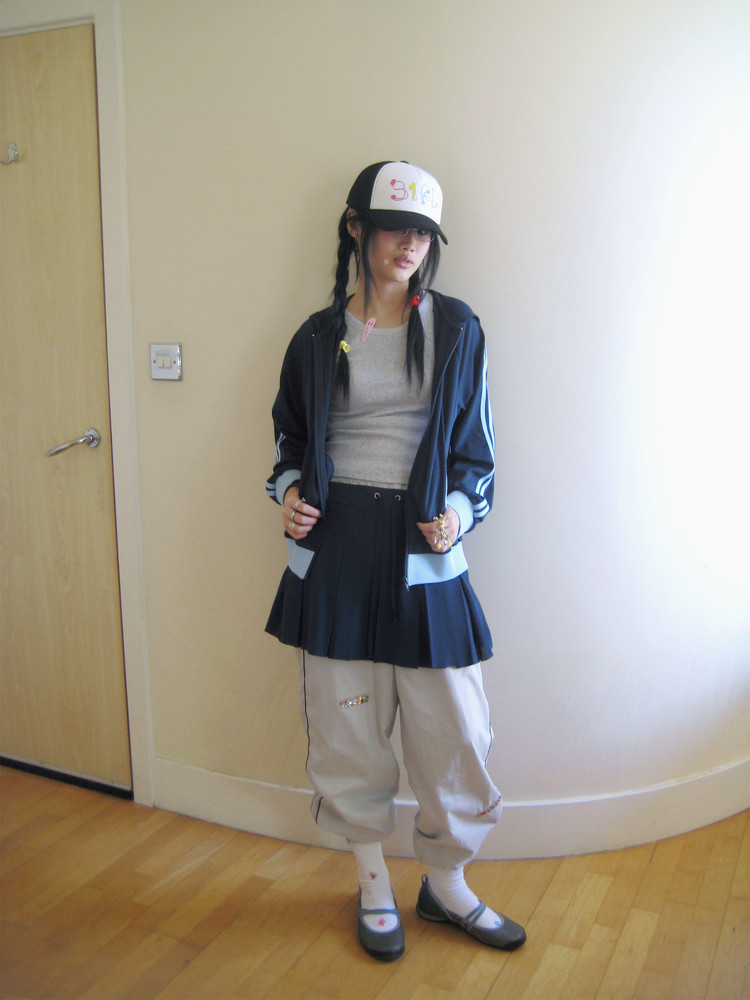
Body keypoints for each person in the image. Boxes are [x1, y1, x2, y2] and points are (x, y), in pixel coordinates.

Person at [265, 161, 526, 962]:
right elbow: (290, 441)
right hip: (336, 553)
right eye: (393, 228)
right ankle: (372, 880)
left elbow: (478, 457)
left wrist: (457, 517)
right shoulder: (316, 337)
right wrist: (289, 492)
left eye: (422, 233)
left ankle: (447, 884)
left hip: (425, 553)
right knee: (346, 729)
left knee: (456, 728)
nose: (409, 245)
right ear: (357, 229)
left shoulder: (458, 329)